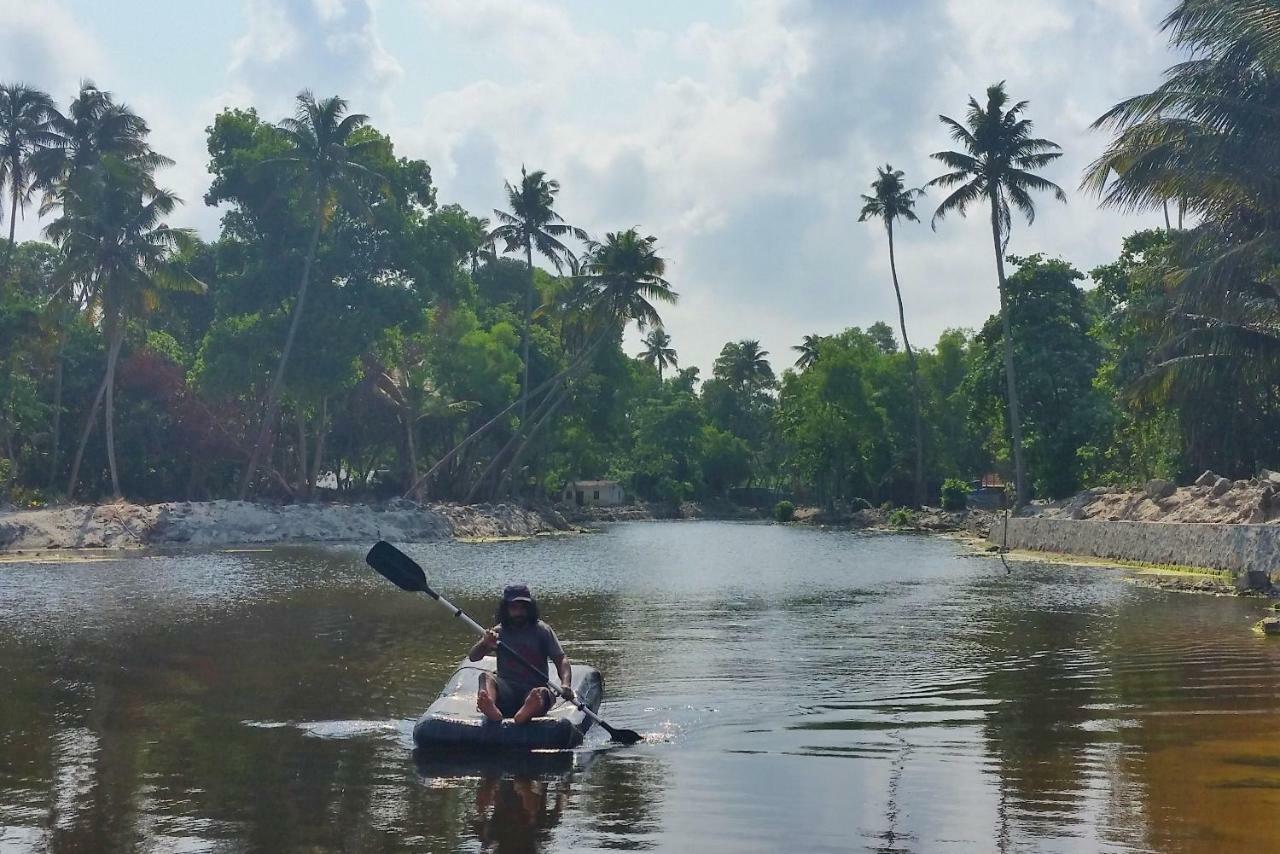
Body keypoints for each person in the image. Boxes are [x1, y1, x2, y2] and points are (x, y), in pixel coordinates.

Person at [469, 583, 574, 724]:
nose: (519, 612)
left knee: (542, 693)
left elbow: (561, 659)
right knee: (486, 677)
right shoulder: (498, 632)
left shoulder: (542, 630)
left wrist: (565, 684)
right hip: (506, 690)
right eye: (514, 607)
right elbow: (473, 657)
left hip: (533, 688)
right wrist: (485, 643)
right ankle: (490, 706)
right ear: (506, 609)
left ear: (530, 608)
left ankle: (526, 711)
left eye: (523, 607)